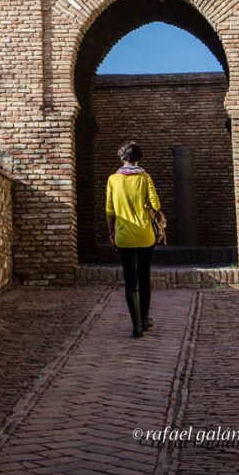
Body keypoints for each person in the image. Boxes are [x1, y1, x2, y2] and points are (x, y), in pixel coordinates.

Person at [106, 141, 160, 338]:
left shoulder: (113, 179)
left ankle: (136, 325)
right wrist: (148, 210)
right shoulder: (145, 178)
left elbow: (109, 209)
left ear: (122, 158)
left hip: (123, 235)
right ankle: (145, 319)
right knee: (144, 276)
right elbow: (156, 203)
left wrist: (111, 231)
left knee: (130, 280)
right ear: (139, 158)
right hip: (146, 234)